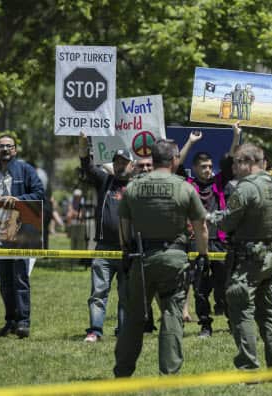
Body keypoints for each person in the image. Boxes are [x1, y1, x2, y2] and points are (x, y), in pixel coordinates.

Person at [114, 139, 208, 377]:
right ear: (174, 160)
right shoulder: (184, 187)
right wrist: (203, 255)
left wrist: (126, 251)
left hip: (142, 257)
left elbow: (123, 225)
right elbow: (201, 226)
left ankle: (123, 371)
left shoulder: (133, 188)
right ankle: (169, 372)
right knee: (171, 313)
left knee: (134, 317)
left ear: (153, 160)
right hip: (174, 258)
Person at [215, 142, 272, 369]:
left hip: (247, 259)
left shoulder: (245, 188)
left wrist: (214, 217)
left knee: (241, 310)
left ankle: (248, 364)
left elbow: (227, 223)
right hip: (270, 255)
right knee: (269, 311)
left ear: (248, 162)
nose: (233, 168)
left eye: (236, 162)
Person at [0, 135, 45, 339]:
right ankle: (10, 321)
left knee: (19, 277)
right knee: (5, 279)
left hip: (20, 230)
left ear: (15, 150)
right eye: (2, 146)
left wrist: (18, 199)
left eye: (9, 146)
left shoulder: (26, 169)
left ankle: (23, 322)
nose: (5, 149)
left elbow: (39, 193)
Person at [182, 127, 240, 337]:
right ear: (195, 168)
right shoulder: (187, 185)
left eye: (209, 166)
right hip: (197, 243)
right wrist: (190, 142)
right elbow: (176, 164)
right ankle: (205, 325)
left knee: (226, 287)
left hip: (220, 242)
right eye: (203, 167)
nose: (208, 170)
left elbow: (230, 159)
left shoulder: (219, 182)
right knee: (200, 288)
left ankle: (232, 322)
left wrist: (235, 136)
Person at [79, 134, 134, 342]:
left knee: (126, 296)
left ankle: (124, 331)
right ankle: (95, 330)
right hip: (103, 248)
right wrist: (83, 145)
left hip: (128, 250)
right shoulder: (105, 181)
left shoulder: (138, 185)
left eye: (124, 162)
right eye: (118, 162)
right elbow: (87, 166)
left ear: (131, 165)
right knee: (98, 292)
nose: (121, 166)